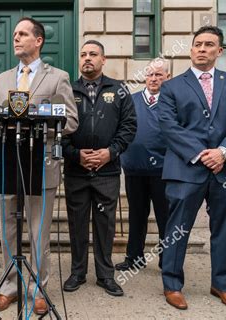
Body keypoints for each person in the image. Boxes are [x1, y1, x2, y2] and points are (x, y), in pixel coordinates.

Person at [158, 26, 226, 311]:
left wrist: (223, 152)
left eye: (209, 44)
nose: (202, 49)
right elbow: (169, 126)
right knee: (177, 229)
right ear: (191, 49)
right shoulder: (172, 86)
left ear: (219, 51)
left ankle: (222, 285)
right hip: (186, 169)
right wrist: (201, 154)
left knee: (224, 229)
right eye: (197, 44)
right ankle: (172, 285)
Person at [0, 17, 78, 314]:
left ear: (38, 40)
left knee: (38, 231)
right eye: (14, 34)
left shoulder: (58, 77)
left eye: (22, 34)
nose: (15, 38)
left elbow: (72, 121)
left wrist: (40, 121)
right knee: (8, 230)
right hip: (7, 163)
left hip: (40, 164)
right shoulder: (1, 79)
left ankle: (38, 288)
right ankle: (10, 287)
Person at [62, 40, 137, 297]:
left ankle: (106, 275)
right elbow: (58, 131)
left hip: (107, 172)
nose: (87, 58)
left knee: (105, 225)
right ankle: (78, 272)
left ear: (103, 60)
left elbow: (128, 127)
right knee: (78, 224)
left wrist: (110, 153)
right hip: (76, 172)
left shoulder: (119, 90)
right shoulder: (67, 90)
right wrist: (75, 155)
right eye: (82, 54)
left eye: (93, 54)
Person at [116, 58, 171, 272]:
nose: (154, 78)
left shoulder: (173, 101)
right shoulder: (131, 100)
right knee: (137, 215)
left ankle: (167, 261)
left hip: (163, 171)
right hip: (134, 168)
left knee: (165, 218)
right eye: (150, 74)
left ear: (168, 77)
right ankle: (133, 258)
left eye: (159, 74)